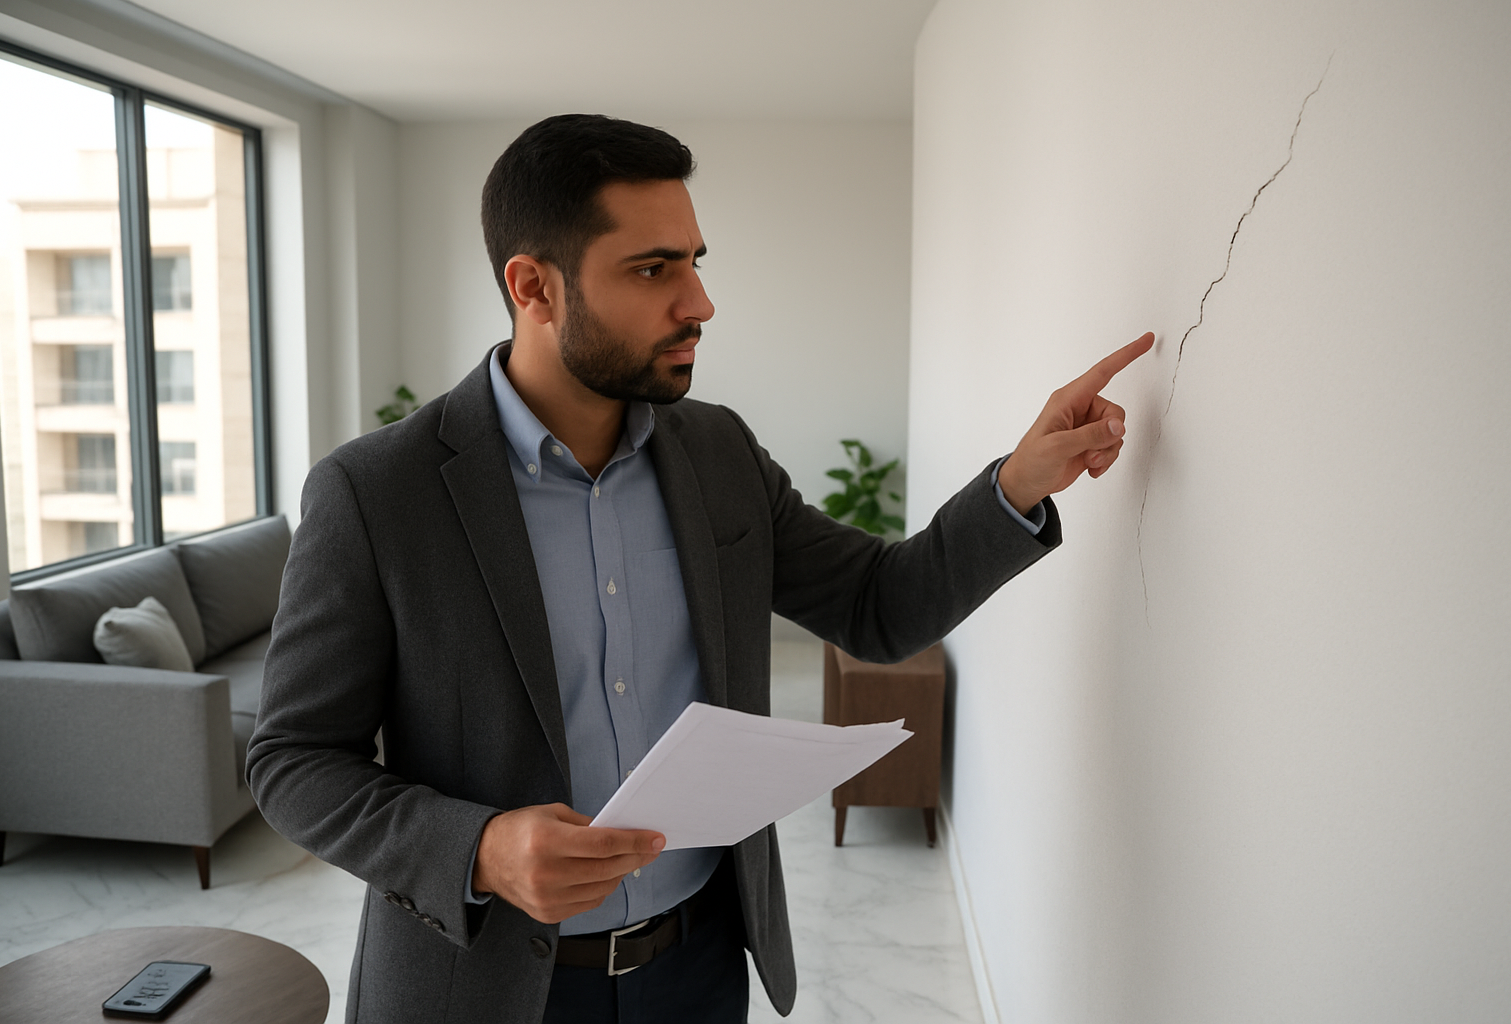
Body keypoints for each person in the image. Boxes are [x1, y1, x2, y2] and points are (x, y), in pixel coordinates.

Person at [247, 113, 1152, 1024]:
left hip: (698, 970)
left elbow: (881, 607)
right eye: (653, 270)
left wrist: (1018, 482)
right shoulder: (377, 492)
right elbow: (293, 761)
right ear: (534, 288)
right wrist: (478, 848)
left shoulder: (720, 454)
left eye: (694, 261)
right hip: (477, 990)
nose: (699, 303)